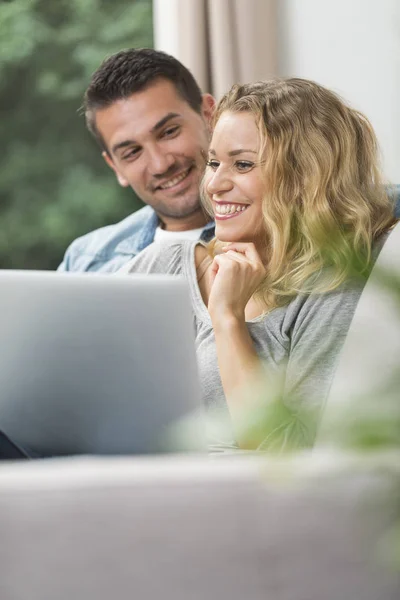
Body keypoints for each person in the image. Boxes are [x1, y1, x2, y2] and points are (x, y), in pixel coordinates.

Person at [120, 78, 398, 452]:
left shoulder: (330, 290)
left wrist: (228, 318)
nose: (215, 184)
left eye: (243, 164)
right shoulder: (162, 266)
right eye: (214, 162)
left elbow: (284, 455)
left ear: (307, 178)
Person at [58, 48, 216, 272]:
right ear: (115, 167)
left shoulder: (276, 241)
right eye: (132, 152)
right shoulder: (84, 261)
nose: (161, 164)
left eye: (169, 132)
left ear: (209, 117)